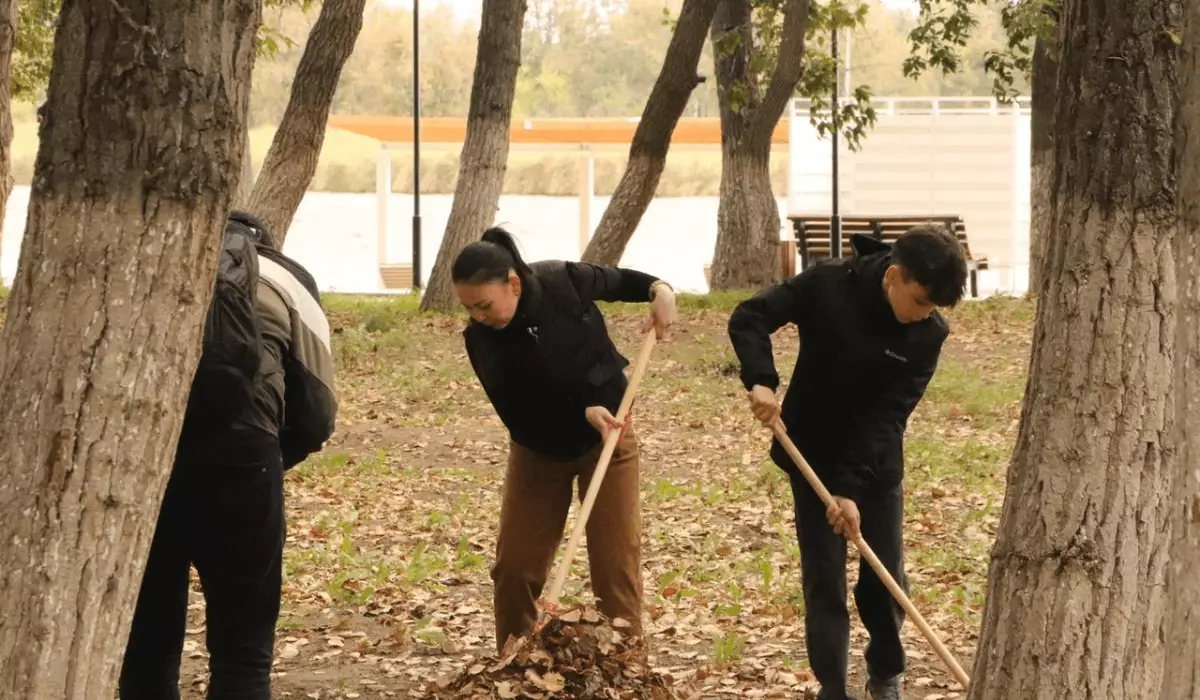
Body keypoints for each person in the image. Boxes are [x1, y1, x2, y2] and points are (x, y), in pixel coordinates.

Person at [726, 225, 967, 700]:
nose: (924, 316)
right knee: (825, 580)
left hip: (874, 464)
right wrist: (760, 380)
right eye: (920, 302)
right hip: (810, 451)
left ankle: (886, 671)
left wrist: (851, 489)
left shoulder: (928, 333)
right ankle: (833, 689)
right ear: (895, 276)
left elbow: (888, 416)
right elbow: (749, 316)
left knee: (885, 574)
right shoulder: (827, 284)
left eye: (933, 308)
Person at [119, 211, 337, 700]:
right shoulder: (287, 280)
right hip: (245, 461)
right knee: (244, 653)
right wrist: (270, 460)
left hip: (146, 464)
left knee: (146, 646)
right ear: (264, 246)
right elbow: (318, 413)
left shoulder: (147, 265)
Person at [451, 226, 678, 653]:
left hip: (608, 442)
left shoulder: (563, 280)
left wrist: (658, 288)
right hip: (539, 448)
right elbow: (522, 413)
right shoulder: (482, 341)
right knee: (515, 569)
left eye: (484, 305)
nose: (478, 316)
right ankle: (514, 664)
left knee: (615, 569)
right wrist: (583, 410)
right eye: (469, 308)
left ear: (513, 284)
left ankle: (626, 669)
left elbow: (616, 281)